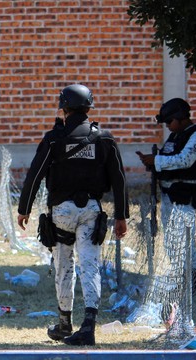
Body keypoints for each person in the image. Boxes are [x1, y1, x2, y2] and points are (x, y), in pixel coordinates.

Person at [17, 84, 129, 346]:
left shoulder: (54, 139)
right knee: (90, 266)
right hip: (91, 210)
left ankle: (64, 323)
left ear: (63, 108)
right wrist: (122, 216)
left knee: (64, 266)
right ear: (89, 107)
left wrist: (24, 209)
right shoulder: (105, 139)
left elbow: (35, 175)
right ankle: (88, 327)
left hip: (62, 212)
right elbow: (119, 179)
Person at [137, 98, 196, 289]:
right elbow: (168, 158)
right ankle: (179, 277)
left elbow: (184, 160)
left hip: (184, 195)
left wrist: (156, 161)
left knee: (184, 239)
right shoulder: (176, 136)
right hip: (168, 194)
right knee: (171, 240)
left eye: (170, 122)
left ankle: (191, 283)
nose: (168, 127)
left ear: (180, 118)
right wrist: (152, 163)